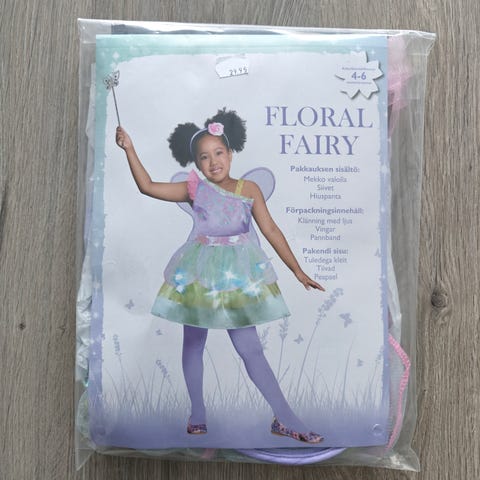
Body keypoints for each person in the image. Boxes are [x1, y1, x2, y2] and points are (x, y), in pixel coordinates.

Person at [115, 108, 325, 443]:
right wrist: (129, 149)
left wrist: (297, 270)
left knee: (250, 348)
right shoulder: (194, 189)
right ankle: (197, 413)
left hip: (236, 277)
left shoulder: (248, 189)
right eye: (204, 157)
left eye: (218, 153)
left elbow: (270, 229)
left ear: (230, 153)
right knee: (193, 342)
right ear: (197, 164)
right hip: (199, 275)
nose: (213, 162)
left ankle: (285, 418)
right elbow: (148, 187)